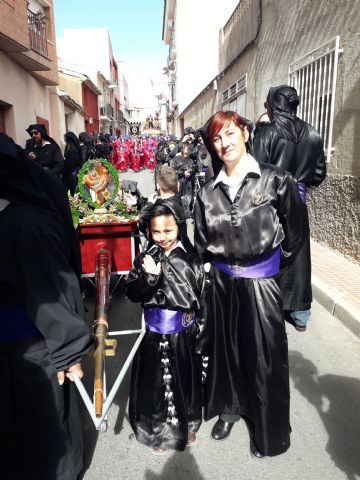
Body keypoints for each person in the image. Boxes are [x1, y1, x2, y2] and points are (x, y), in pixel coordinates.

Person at [193, 111, 305, 457]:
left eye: (229, 133)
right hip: (223, 284)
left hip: (261, 285)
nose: (224, 143)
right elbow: (200, 242)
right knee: (226, 351)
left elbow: (297, 233)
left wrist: (270, 265)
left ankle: (266, 426)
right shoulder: (207, 191)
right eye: (216, 138)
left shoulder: (275, 180)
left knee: (265, 358)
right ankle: (229, 408)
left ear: (244, 132)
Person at [0, 133, 91, 480]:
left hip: (35, 344)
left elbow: (52, 289)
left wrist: (68, 352)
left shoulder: (26, 224)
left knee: (46, 434)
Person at [124, 200, 205, 454]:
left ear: (179, 228)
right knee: (155, 387)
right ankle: (157, 431)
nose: (162, 238)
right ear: (149, 231)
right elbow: (133, 293)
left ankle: (189, 422)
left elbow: (203, 301)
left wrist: (204, 335)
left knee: (186, 382)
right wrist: (149, 278)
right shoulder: (145, 259)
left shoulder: (192, 260)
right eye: (156, 232)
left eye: (168, 231)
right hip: (154, 336)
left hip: (185, 336)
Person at [254, 85, 326, 331]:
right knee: (299, 257)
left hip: (269, 205)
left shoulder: (267, 133)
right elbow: (318, 175)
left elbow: (255, 172)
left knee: (268, 252)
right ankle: (300, 313)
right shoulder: (314, 134)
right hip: (299, 202)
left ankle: (269, 306)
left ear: (273, 106)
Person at [139, 165, 192, 250]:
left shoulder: (159, 209)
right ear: (178, 185)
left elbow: (144, 229)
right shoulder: (182, 202)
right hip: (185, 250)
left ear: (157, 186)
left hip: (163, 255)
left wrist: (147, 206)